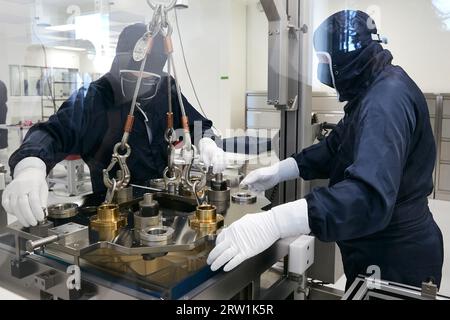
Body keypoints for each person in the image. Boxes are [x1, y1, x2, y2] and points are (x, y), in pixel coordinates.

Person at [207, 10, 444, 289]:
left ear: (344, 56)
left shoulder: (385, 100)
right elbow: (336, 147)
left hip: (396, 257)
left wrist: (275, 222)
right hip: (374, 247)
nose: (321, 70)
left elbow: (368, 196)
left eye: (323, 60)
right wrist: (281, 170)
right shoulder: (373, 89)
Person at [2, 23, 225, 228]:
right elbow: (51, 133)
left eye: (147, 80)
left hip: (163, 200)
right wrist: (31, 167)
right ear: (118, 65)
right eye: (131, 78)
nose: (140, 86)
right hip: (112, 208)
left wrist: (206, 140)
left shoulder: (165, 90)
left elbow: (195, 122)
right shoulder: (93, 97)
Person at [0, 81, 8, 150]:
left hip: (1, 107)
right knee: (2, 125)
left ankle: (2, 145)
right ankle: (3, 144)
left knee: (1, 126)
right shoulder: (2, 83)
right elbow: (5, 98)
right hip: (3, 107)